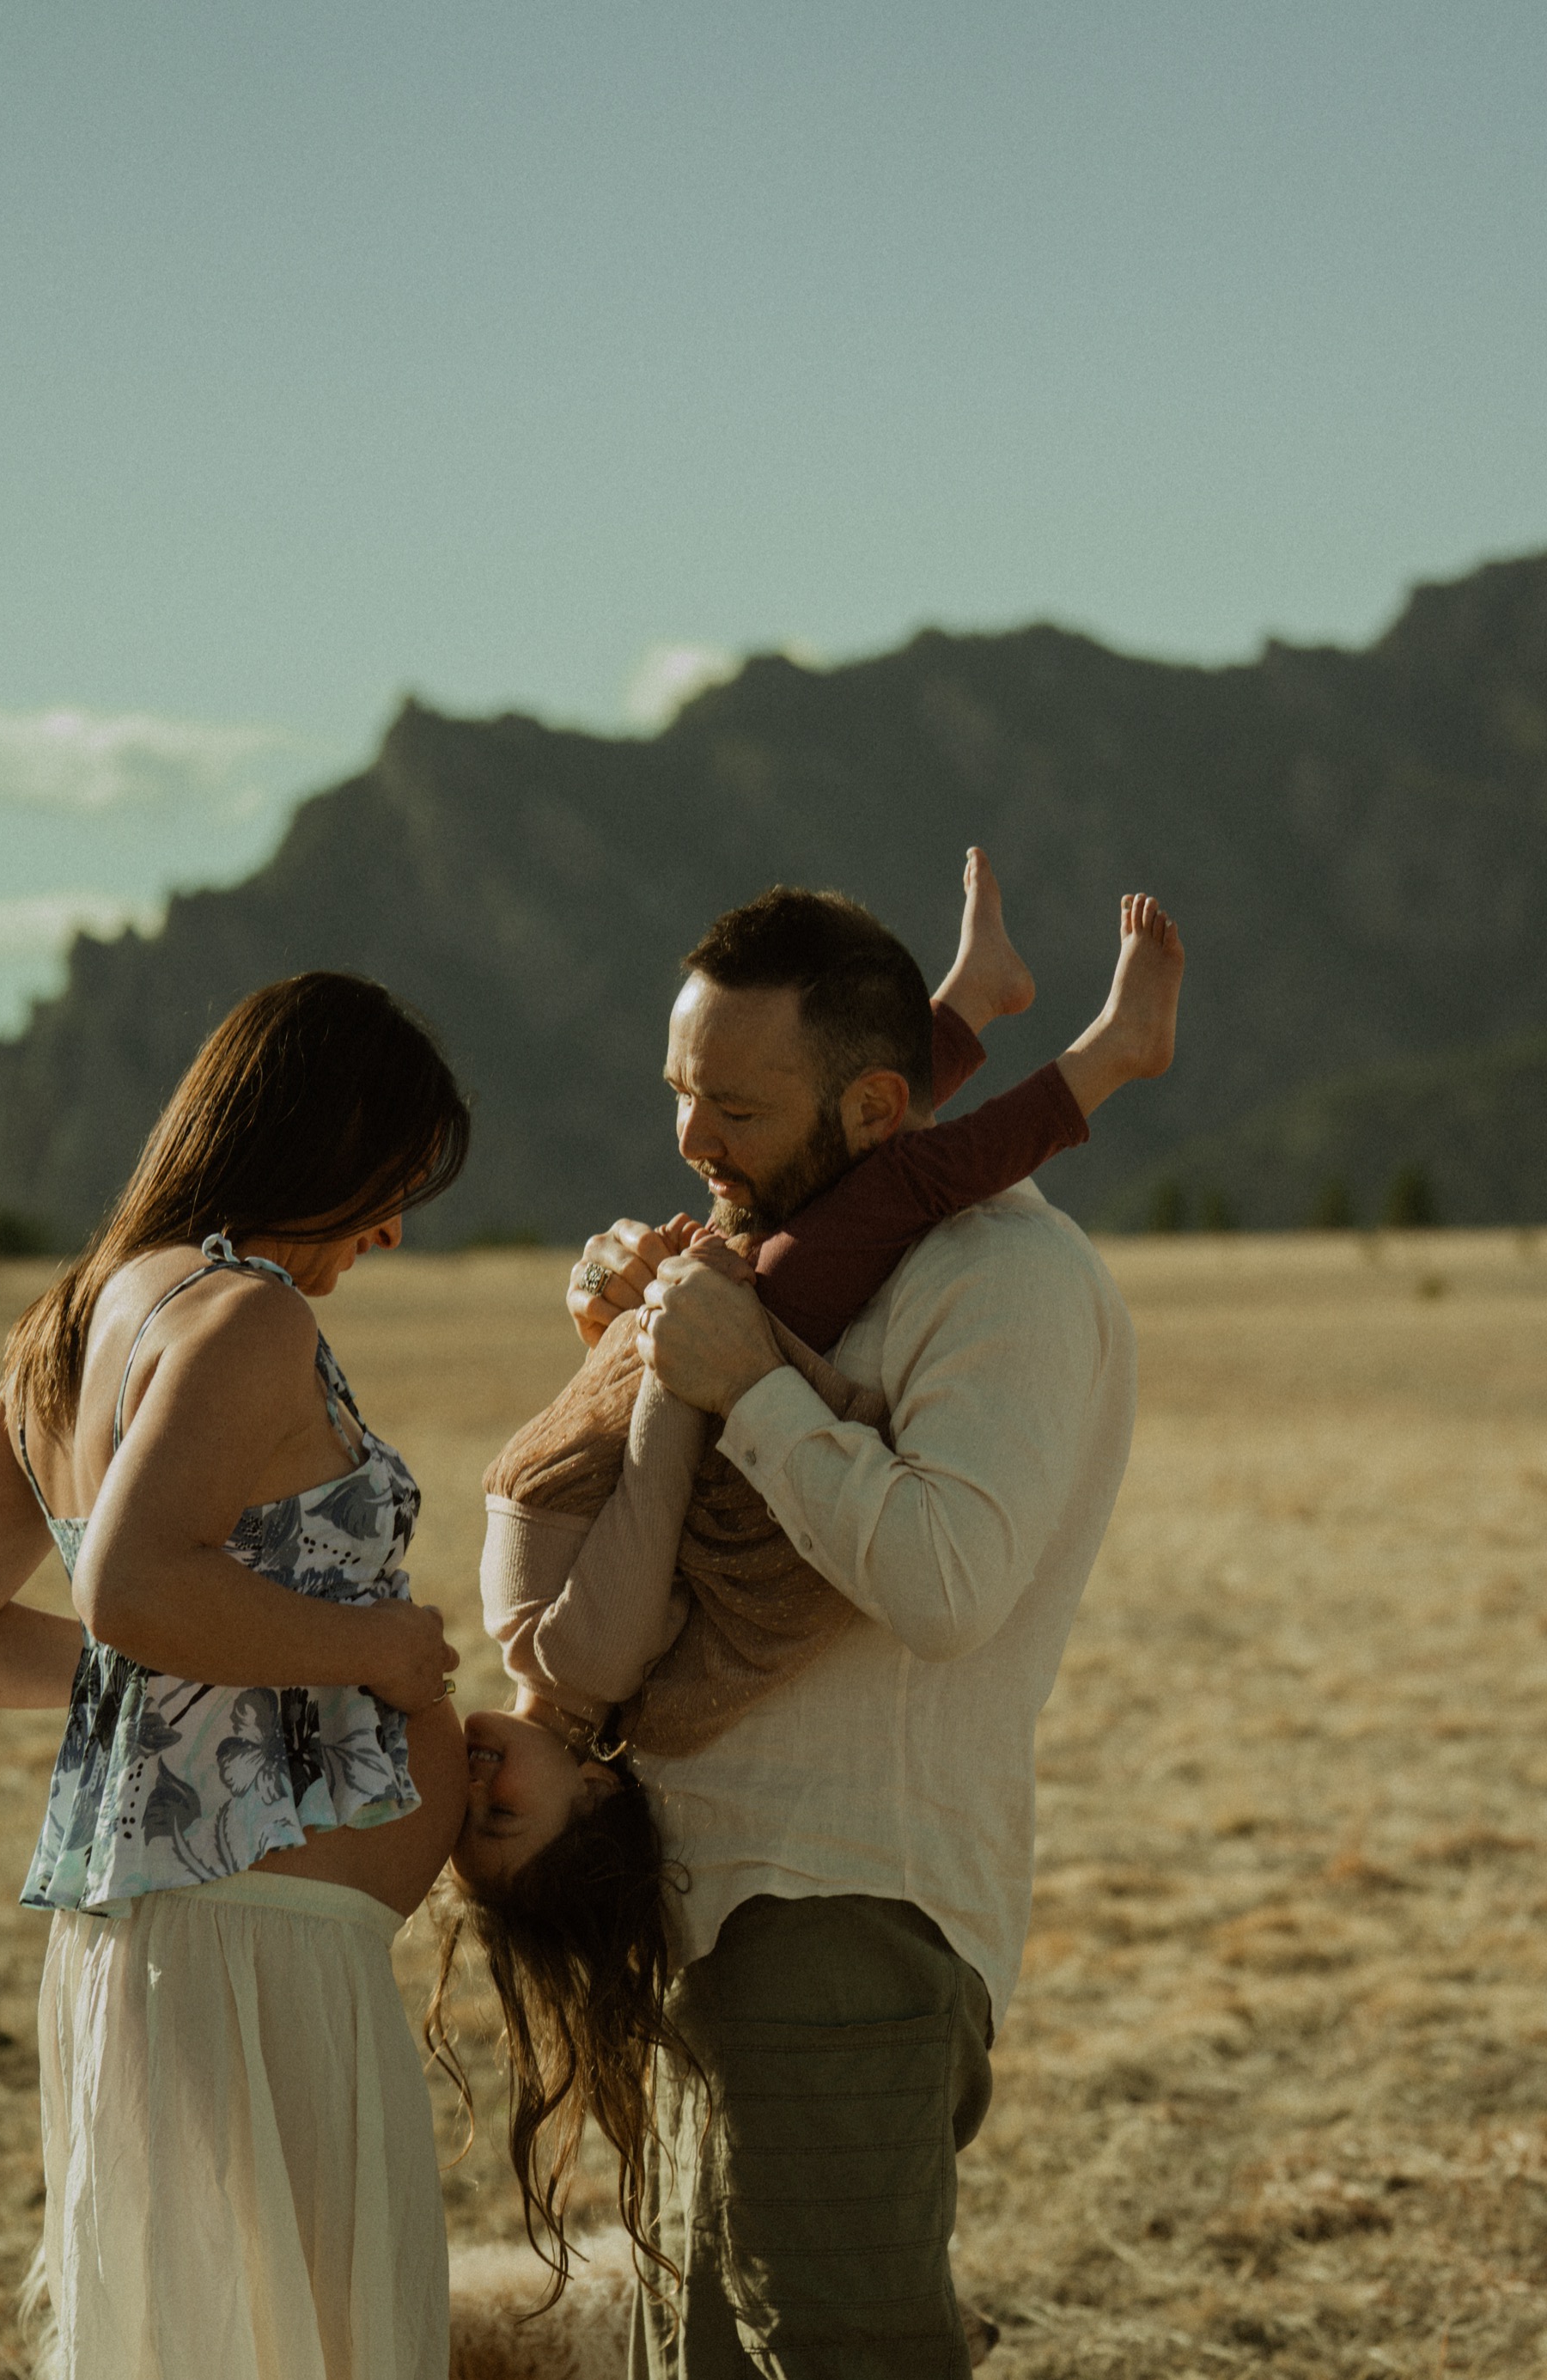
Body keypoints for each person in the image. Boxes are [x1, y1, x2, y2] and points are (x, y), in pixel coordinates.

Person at [443, 857, 1178, 2363]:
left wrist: (749, 1387)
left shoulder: (1005, 1275)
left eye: (738, 1111)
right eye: (679, 1092)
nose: (691, 1141)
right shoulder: (799, 1260)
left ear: (878, 1109)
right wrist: (626, 1349)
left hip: (845, 1917)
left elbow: (949, 1582)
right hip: (718, 1919)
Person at [0, 973, 471, 2380]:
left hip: (144, 1946)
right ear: (317, 1143)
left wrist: (147, 1670)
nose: (391, 1228)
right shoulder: (251, 1313)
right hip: (259, 1951)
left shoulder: (75, 1322)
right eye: (387, 1183)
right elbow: (138, 1582)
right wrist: (375, 1650)